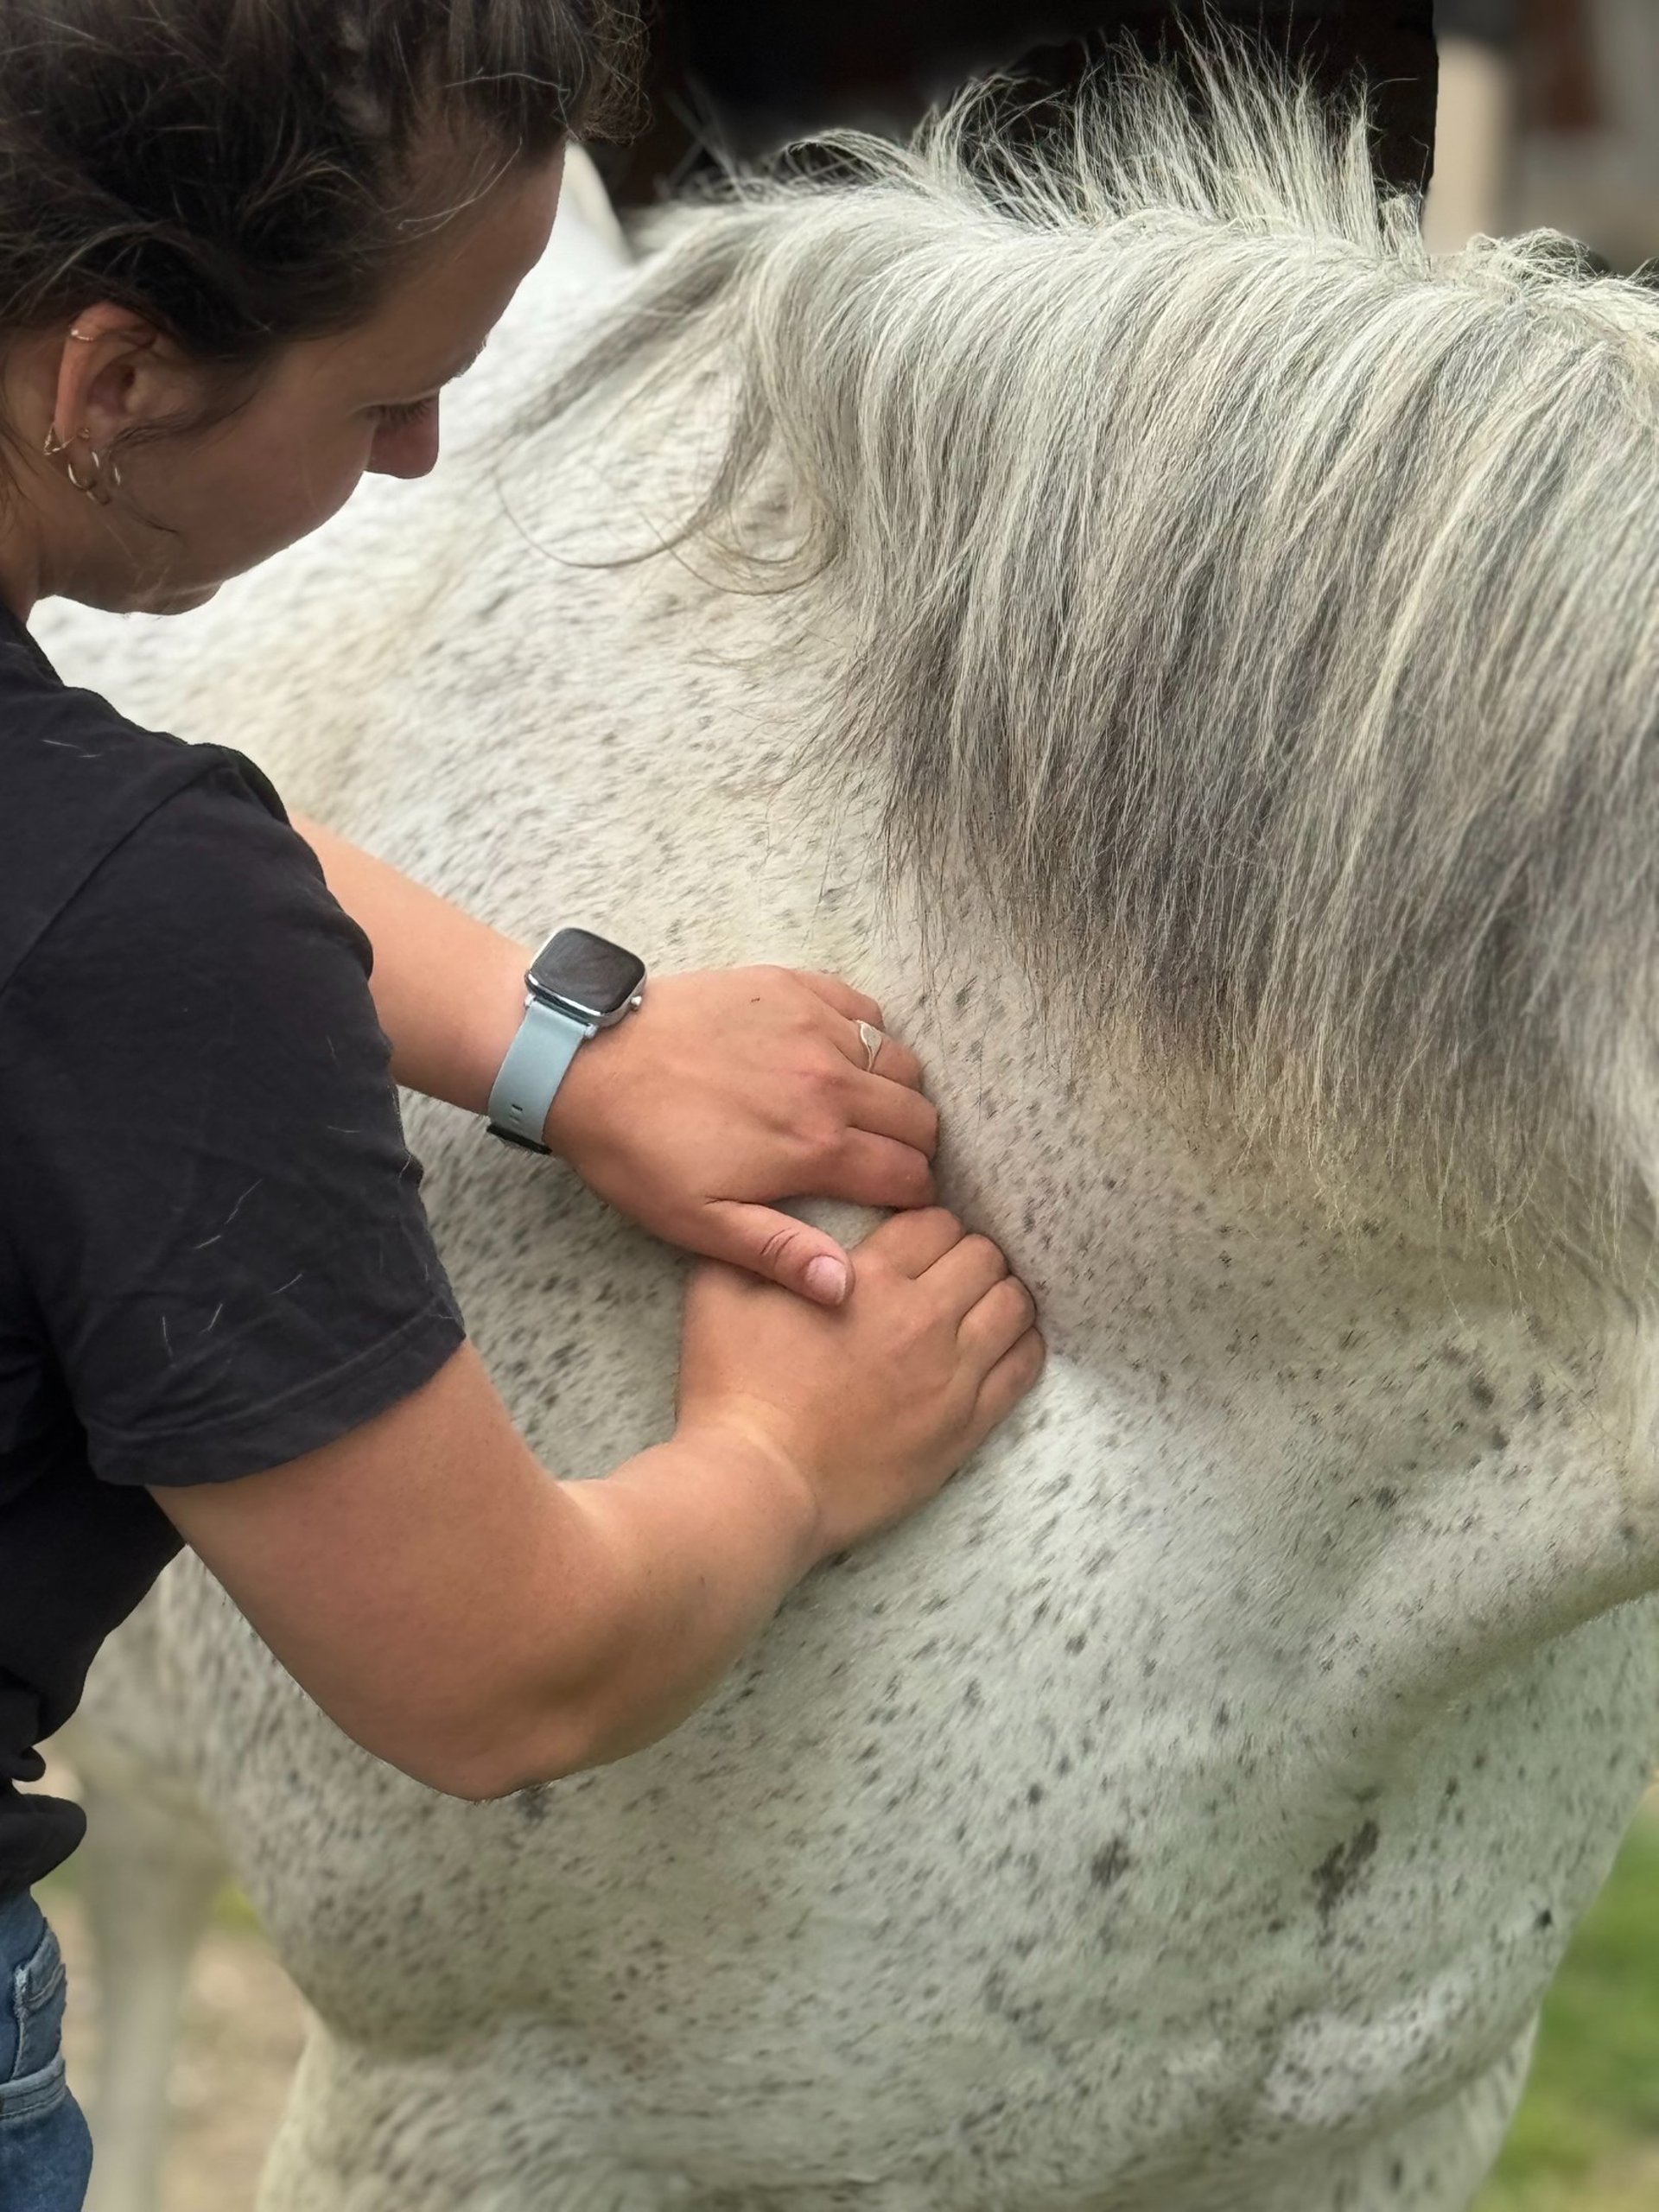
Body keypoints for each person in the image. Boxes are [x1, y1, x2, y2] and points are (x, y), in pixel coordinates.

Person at [0, 4, 1045, 2202]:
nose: (414, 457)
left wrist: (562, 1048)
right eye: (387, 395)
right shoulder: (137, 923)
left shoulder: (113, 881)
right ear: (110, 383)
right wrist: (778, 1453)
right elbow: (494, 1672)